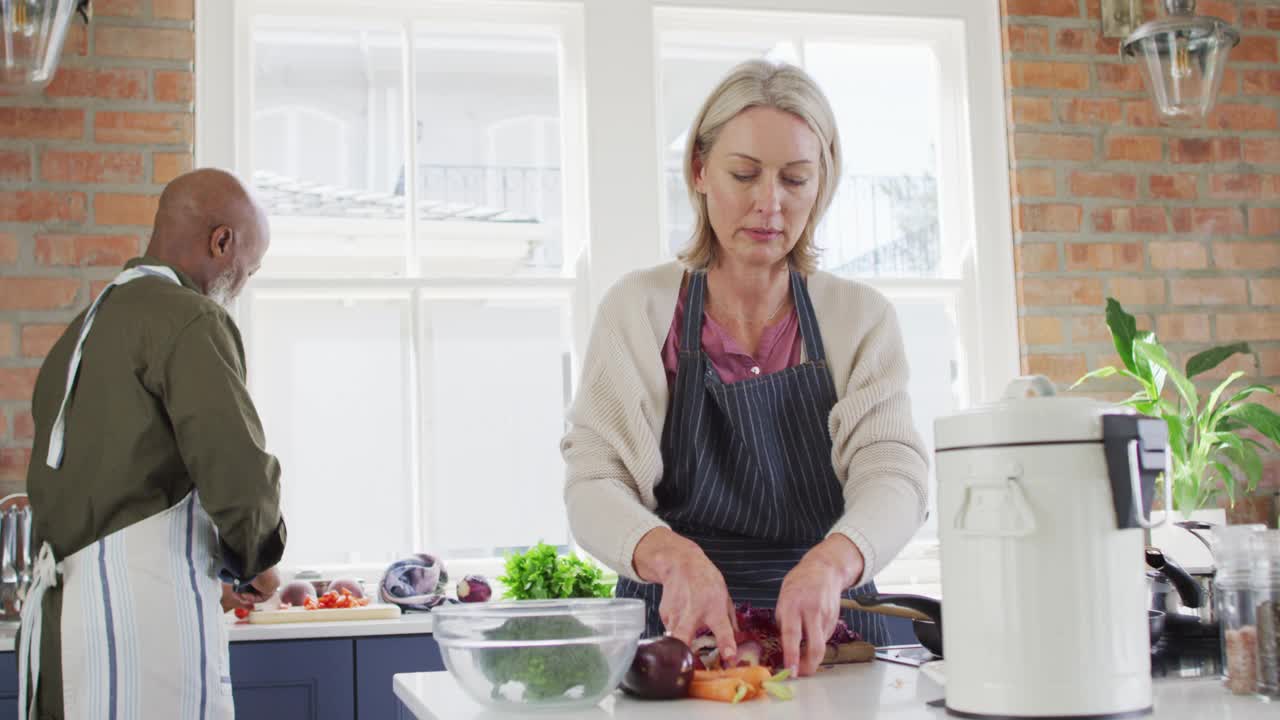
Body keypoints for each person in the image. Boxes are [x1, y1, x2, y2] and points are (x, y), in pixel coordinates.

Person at [562, 60, 928, 678]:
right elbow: (594, 483)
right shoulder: (641, 309)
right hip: (676, 643)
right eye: (744, 174)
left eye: (794, 179)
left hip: (833, 641)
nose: (769, 203)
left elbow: (895, 474)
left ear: (821, 185)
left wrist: (833, 561)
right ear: (701, 172)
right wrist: (672, 558)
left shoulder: (859, 317)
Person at [20, 169, 287, 720]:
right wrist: (257, 556)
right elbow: (235, 468)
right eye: (248, 270)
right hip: (136, 627)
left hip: (62, 623)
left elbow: (124, 485)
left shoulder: (83, 330)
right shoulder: (188, 317)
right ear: (222, 241)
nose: (241, 285)